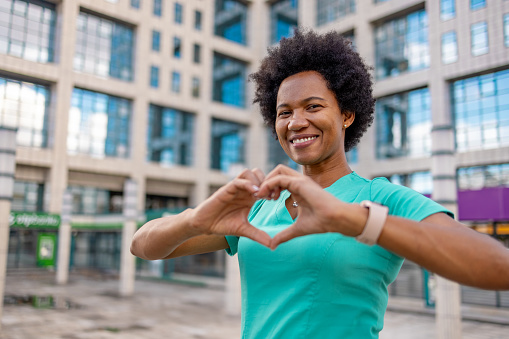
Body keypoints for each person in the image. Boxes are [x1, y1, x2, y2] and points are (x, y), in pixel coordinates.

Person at [131, 29, 509, 338]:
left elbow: (498, 267)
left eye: (313, 107)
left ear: (346, 114)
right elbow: (142, 245)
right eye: (284, 112)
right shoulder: (261, 204)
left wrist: (354, 220)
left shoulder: (378, 197)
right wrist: (196, 219)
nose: (295, 122)